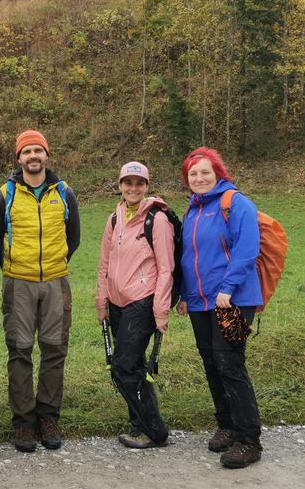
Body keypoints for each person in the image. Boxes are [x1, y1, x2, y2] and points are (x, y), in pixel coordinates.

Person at [0, 130, 80, 452]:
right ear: (19, 158)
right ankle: (24, 423)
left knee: (54, 351)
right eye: (27, 152)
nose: (33, 156)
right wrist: (14, 268)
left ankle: (48, 418)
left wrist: (53, 265)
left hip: (56, 282)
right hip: (18, 285)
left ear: (47, 155)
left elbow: (75, 238)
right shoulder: (5, 194)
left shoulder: (64, 193)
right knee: (20, 351)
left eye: (38, 150)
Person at [178, 147, 264, 469]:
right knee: (212, 363)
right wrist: (185, 295)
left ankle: (249, 440)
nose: (199, 178)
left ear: (218, 174)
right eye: (193, 174)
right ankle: (227, 426)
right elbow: (190, 257)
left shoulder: (236, 203)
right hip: (201, 303)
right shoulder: (193, 210)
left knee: (230, 364)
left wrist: (228, 288)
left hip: (233, 299)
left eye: (205, 172)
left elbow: (247, 249)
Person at [95, 161, 172, 450]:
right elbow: (104, 263)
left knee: (123, 367)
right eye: (128, 183)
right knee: (135, 367)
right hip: (116, 303)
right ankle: (139, 425)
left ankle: (155, 431)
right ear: (120, 185)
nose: (133, 188)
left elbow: (166, 268)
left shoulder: (157, 220)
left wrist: (161, 310)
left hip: (143, 302)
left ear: (147, 186)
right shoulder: (114, 219)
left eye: (139, 183)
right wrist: (100, 300)